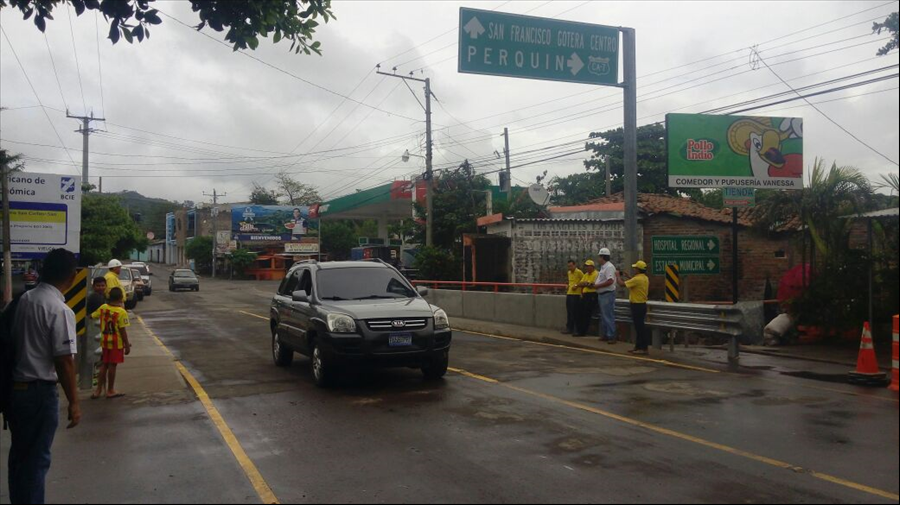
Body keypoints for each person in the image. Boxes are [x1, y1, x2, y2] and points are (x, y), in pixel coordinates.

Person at [7, 248, 81, 505]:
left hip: (16, 390)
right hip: (39, 393)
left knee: (20, 459)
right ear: (72, 276)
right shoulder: (59, 310)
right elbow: (64, 361)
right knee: (36, 463)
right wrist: (74, 401)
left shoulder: (24, 300)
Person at [91, 287, 131, 400]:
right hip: (116, 343)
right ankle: (110, 390)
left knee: (104, 365)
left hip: (104, 341)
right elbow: (123, 331)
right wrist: (127, 345)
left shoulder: (103, 308)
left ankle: (98, 390)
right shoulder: (121, 312)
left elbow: (92, 316)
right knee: (112, 366)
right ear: (120, 298)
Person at [618, 261, 651, 355]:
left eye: (635, 268)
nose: (634, 269)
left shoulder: (637, 279)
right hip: (642, 305)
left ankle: (644, 348)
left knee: (639, 328)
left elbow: (621, 284)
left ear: (638, 269)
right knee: (639, 327)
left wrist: (617, 276)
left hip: (637, 305)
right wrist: (628, 277)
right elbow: (635, 283)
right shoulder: (645, 278)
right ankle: (638, 347)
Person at [595, 248, 618, 344]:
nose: (598, 259)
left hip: (607, 294)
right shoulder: (603, 267)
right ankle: (606, 334)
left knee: (608, 315)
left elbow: (610, 281)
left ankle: (611, 335)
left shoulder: (609, 267)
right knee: (604, 316)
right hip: (602, 294)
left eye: (599, 257)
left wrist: (597, 286)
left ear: (602, 257)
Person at [576, 260, 599, 336]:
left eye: (588, 266)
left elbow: (592, 285)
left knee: (586, 313)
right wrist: (586, 284)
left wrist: (586, 284)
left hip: (592, 295)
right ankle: (579, 330)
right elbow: (580, 283)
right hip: (585, 294)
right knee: (580, 312)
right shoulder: (586, 274)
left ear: (592, 267)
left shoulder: (596, 274)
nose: (587, 268)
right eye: (586, 266)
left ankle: (583, 331)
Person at [562, 260, 584, 335]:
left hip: (576, 294)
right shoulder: (569, 273)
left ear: (575, 265)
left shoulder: (579, 272)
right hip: (569, 293)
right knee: (569, 312)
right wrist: (568, 285)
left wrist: (577, 285)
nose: (570, 268)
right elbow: (569, 281)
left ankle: (575, 329)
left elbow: (583, 280)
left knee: (575, 312)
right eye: (568, 266)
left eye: (571, 266)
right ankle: (569, 328)